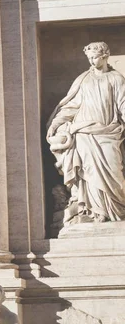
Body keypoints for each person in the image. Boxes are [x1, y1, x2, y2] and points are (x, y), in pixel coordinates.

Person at [47, 42, 125, 224]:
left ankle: (115, 210)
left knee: (114, 172)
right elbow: (71, 106)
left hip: (108, 133)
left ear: (105, 55)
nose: (91, 61)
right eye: (89, 58)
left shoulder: (116, 79)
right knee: (87, 172)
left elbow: (122, 104)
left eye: (95, 57)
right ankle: (90, 210)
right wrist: (56, 123)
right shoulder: (84, 79)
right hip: (83, 133)